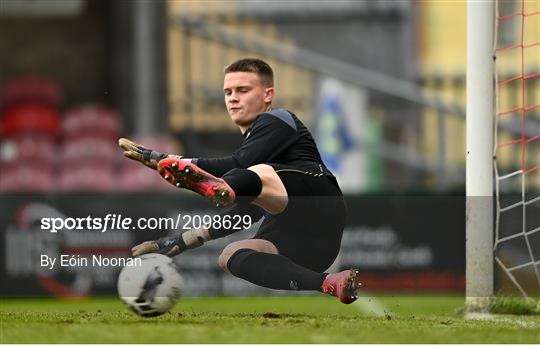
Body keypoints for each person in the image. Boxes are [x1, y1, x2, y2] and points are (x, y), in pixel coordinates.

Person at [118, 58, 361, 304]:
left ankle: (217, 185)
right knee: (230, 255)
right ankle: (328, 283)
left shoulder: (277, 118)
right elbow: (246, 213)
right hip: (310, 248)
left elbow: (239, 164)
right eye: (228, 92)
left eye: (242, 90)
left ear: (268, 95)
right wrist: (182, 241)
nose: (233, 98)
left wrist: (167, 159)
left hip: (318, 198)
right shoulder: (255, 161)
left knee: (258, 172)